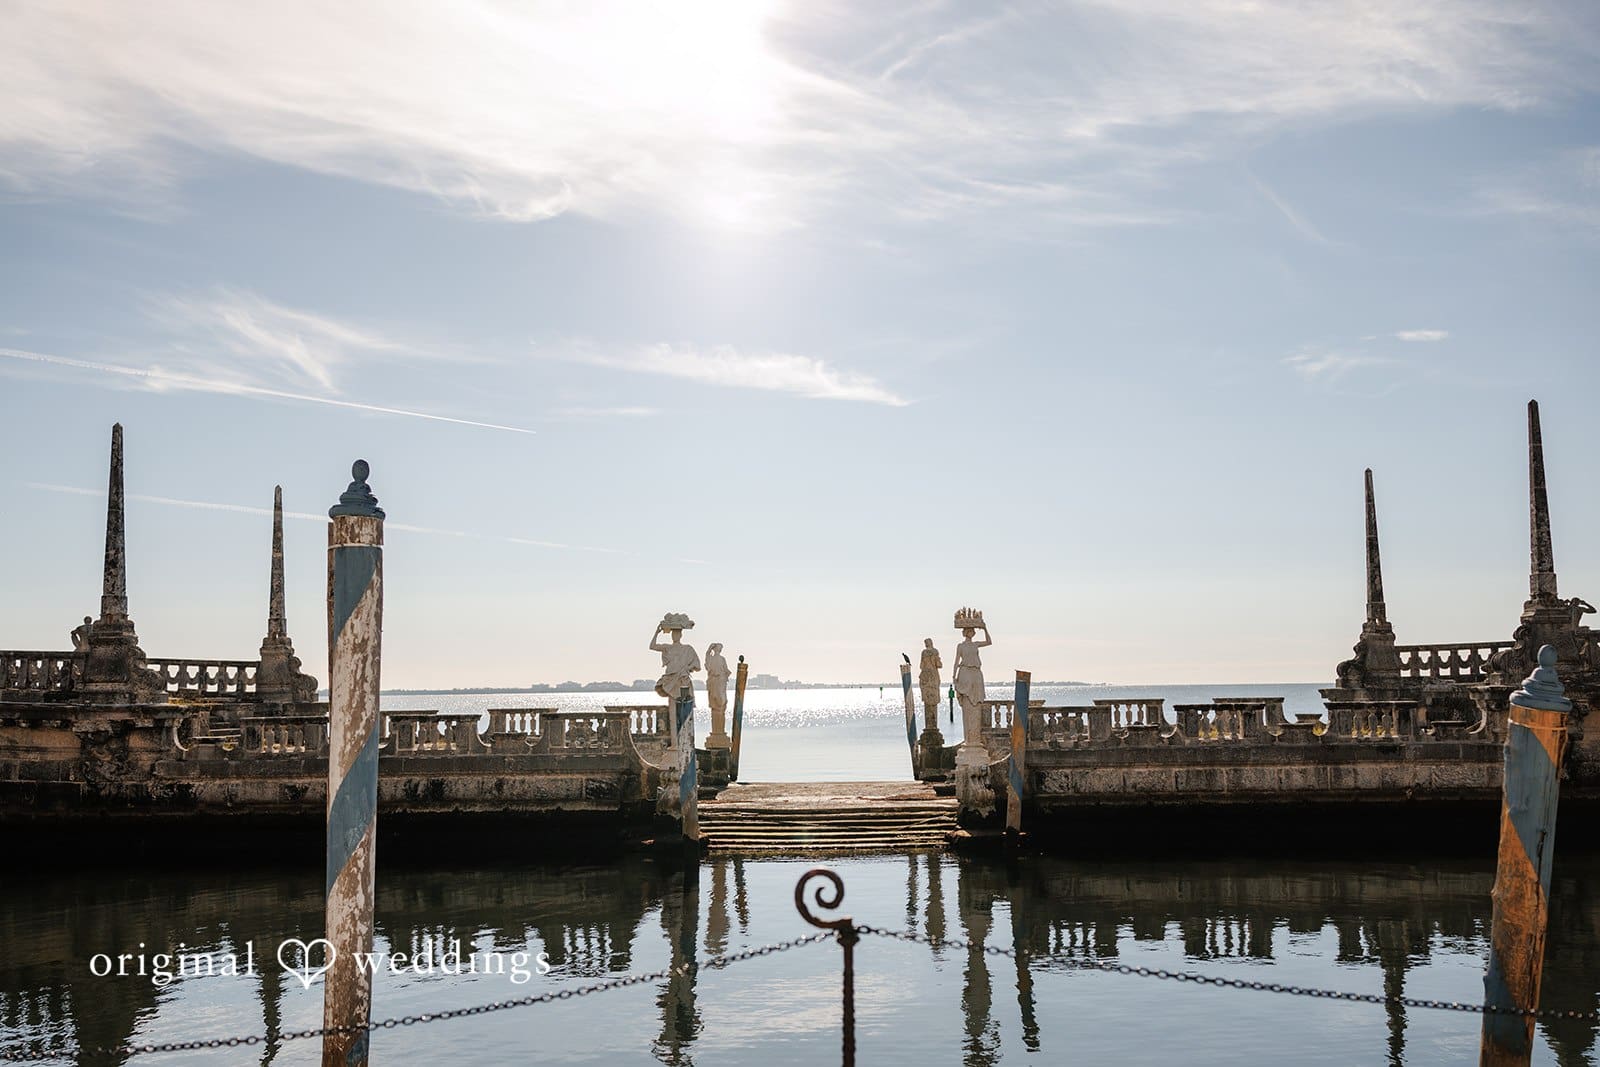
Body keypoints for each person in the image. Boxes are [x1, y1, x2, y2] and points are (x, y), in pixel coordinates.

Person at [952, 621, 993, 748]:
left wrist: (985, 628)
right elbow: (956, 661)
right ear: (965, 633)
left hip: (976, 674)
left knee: (976, 705)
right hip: (965, 673)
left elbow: (989, 642)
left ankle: (975, 739)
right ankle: (969, 739)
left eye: (972, 631)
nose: (971, 633)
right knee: (967, 704)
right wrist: (954, 676)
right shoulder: (960, 646)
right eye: (969, 631)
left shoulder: (975, 644)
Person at [650, 615, 701, 704]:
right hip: (671, 679)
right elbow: (652, 646)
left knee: (684, 704)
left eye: (677, 634)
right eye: (673, 634)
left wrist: (687, 668)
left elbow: (697, 666)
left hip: (682, 679)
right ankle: (674, 718)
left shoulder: (687, 649)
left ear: (681, 635)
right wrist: (656, 633)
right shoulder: (667, 647)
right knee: (673, 704)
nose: (674, 636)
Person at [919, 639, 943, 720]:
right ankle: (933, 725)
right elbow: (939, 665)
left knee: (927, 699)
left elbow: (921, 666)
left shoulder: (924, 653)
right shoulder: (935, 651)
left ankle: (929, 725)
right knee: (934, 698)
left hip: (925, 676)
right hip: (933, 676)